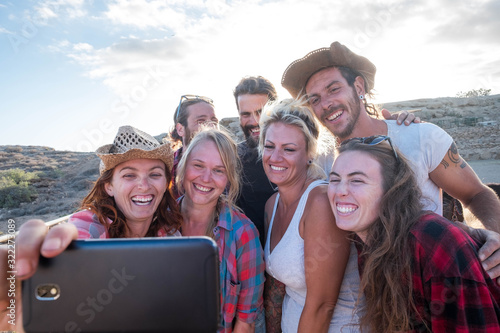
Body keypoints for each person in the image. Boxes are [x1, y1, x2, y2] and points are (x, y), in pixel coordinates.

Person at [281, 41, 500, 279]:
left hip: (430, 292)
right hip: (362, 305)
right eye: (315, 99)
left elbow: (476, 193)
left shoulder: (419, 137)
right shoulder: (321, 164)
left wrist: (495, 238)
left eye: (334, 89)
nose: (325, 104)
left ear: (359, 86)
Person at [5, 125, 183, 332]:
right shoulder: (90, 225)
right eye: (129, 175)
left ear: (166, 184)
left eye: (155, 174)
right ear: (109, 187)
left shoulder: (170, 235)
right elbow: (80, 240)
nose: (144, 185)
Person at [328, 136, 500, 332]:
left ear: (392, 190)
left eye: (357, 180)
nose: (340, 190)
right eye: (334, 179)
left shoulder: (433, 243)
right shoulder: (367, 239)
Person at [260, 99, 359, 332]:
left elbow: (322, 306)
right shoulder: (271, 205)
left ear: (310, 154)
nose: (275, 157)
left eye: (289, 149)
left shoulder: (320, 201)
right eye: (269, 146)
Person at [175, 126, 265, 333]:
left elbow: (245, 323)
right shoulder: (160, 223)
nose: (206, 178)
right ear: (183, 166)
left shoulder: (243, 233)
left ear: (229, 178)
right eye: (198, 165)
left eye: (218, 170)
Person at [169, 94, 218, 197]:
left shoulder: (232, 163)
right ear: (180, 129)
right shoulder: (166, 168)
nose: (211, 126)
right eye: (201, 121)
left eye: (214, 121)